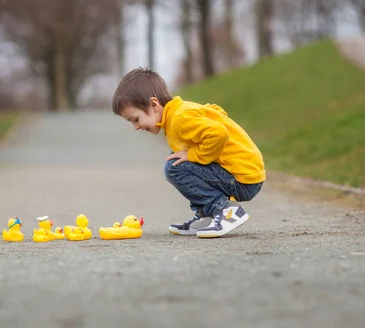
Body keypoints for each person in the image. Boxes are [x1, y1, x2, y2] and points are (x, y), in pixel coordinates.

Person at [112, 67, 265, 238]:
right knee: (178, 158)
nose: (136, 127)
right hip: (245, 175)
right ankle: (207, 215)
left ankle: (225, 210)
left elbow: (219, 133)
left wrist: (193, 155)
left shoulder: (180, 119)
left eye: (136, 119)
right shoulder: (179, 113)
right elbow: (215, 112)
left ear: (154, 104)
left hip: (242, 178)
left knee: (174, 167)